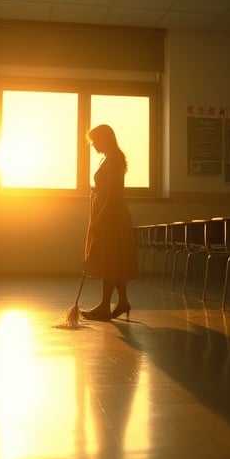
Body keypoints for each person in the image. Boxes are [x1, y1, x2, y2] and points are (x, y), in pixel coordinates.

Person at [81, 124, 138, 321]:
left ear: (105, 139)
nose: (93, 146)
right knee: (115, 261)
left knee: (111, 261)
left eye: (95, 142)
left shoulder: (114, 160)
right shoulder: (108, 159)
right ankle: (121, 302)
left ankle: (106, 305)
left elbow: (113, 194)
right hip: (110, 216)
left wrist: (98, 218)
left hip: (113, 217)